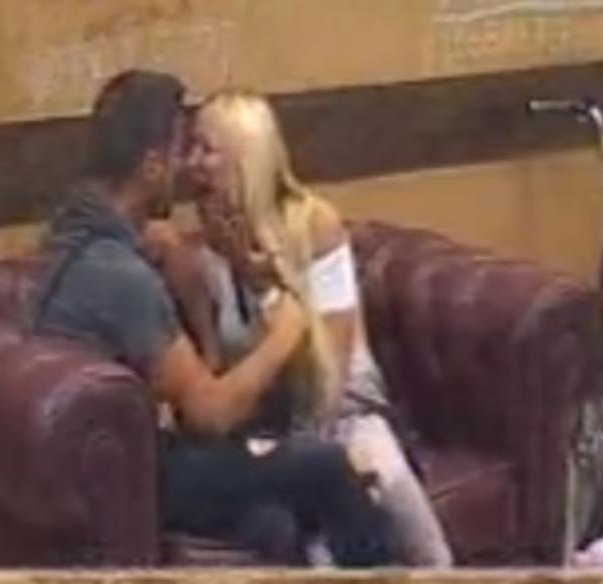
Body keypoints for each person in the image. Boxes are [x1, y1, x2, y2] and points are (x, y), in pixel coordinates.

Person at [31, 70, 392, 566]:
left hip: (114, 464)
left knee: (272, 521)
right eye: (181, 150)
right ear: (152, 166)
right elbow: (210, 414)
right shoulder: (119, 275)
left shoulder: (71, 239)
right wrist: (284, 333)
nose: (188, 168)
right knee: (326, 468)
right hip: (144, 474)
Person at [156, 88, 454, 566]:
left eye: (206, 149)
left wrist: (266, 286)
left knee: (403, 511)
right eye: (190, 147)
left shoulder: (315, 227)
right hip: (260, 426)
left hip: (343, 412)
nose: (191, 163)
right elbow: (215, 377)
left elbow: (328, 382)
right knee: (286, 527)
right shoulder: (204, 251)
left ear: (246, 158)